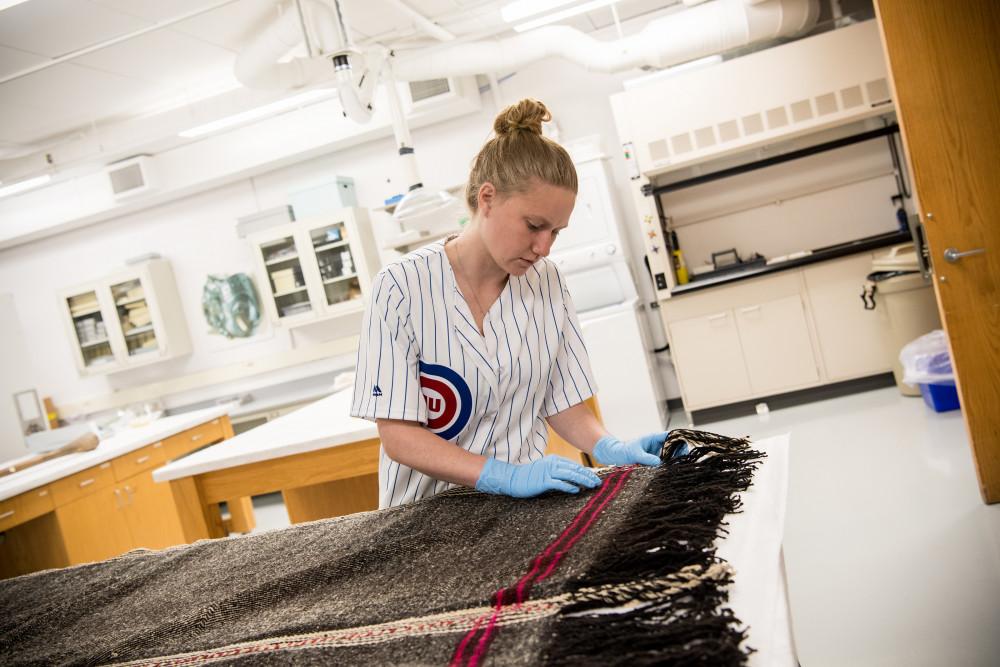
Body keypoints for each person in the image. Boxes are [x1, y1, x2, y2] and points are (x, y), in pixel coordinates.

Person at [351, 98, 669, 509]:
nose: (543, 247)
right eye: (534, 226)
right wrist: (500, 475)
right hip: (423, 517)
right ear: (487, 199)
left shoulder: (547, 282)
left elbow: (563, 402)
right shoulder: (400, 287)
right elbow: (400, 437)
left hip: (520, 509)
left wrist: (608, 446)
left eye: (556, 232)